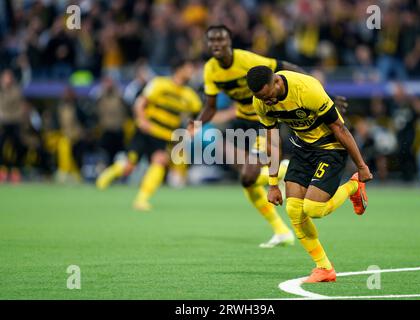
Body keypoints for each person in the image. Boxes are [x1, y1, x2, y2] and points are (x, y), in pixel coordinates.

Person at [188, 25, 348, 248]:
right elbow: (211, 107)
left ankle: (284, 171)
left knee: (249, 174)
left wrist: (323, 94)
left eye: (221, 39)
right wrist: (194, 124)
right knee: (247, 179)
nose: (217, 44)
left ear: (229, 41)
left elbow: (287, 68)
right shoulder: (210, 70)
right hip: (240, 121)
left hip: (262, 121)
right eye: (212, 40)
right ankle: (281, 228)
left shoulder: (247, 60)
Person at [246, 65, 372, 282]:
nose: (266, 102)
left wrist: (361, 166)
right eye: (260, 97)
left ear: (276, 81)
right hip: (303, 148)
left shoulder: (306, 89)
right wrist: (273, 184)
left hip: (331, 147)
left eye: (267, 96)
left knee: (313, 209)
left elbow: (339, 128)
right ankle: (324, 268)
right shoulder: (260, 102)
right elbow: (273, 142)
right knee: (294, 209)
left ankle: (353, 186)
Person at [96, 59, 201, 211]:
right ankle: (108, 175)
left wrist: (191, 132)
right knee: (130, 165)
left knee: (160, 161)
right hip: (146, 131)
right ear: (179, 69)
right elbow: (140, 103)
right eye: (189, 68)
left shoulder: (190, 95)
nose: (192, 72)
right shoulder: (159, 83)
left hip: (165, 136)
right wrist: (142, 119)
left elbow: (198, 116)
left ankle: (141, 199)